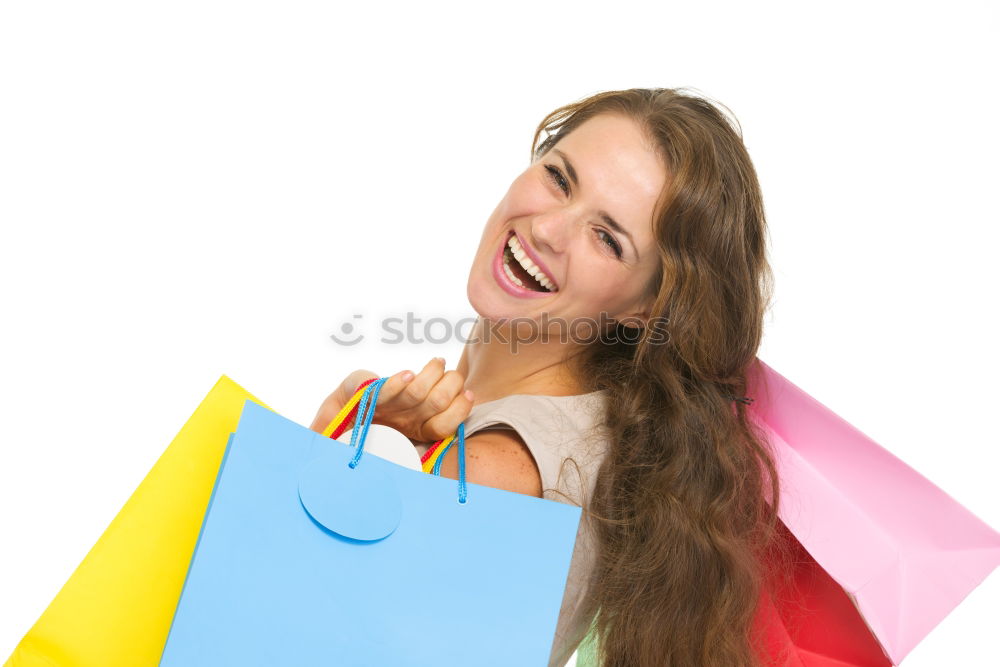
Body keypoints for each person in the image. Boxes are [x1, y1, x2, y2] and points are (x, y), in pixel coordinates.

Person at [311, 88, 795, 667]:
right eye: (561, 178)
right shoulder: (571, 429)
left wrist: (326, 441)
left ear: (644, 310)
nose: (548, 230)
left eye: (607, 238)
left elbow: (258, 612)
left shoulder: (496, 470)